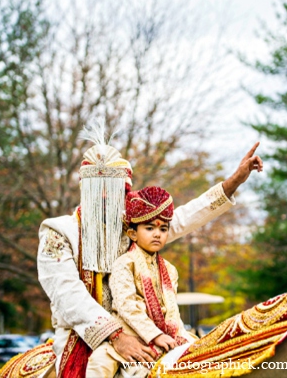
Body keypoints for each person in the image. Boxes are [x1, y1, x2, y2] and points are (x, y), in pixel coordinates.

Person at [35, 122, 263, 378]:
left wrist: (232, 183)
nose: (107, 200)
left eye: (115, 192)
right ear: (85, 191)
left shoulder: (131, 227)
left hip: (142, 329)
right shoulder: (58, 231)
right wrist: (116, 335)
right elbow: (68, 296)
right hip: (84, 335)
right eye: (99, 192)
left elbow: (182, 218)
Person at [87, 186, 199, 377]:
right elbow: (126, 305)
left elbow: (172, 308)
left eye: (163, 229)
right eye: (149, 228)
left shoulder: (170, 269)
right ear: (132, 234)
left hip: (168, 336)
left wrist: (178, 335)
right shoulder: (124, 264)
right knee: (98, 366)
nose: (157, 234)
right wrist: (155, 335)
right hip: (130, 335)